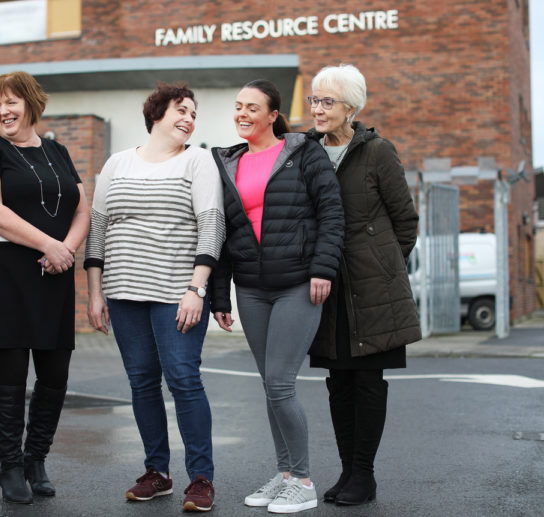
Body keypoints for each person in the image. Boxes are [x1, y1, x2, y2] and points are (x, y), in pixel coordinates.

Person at [85, 83, 225, 513]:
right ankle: (157, 473)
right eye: (181, 110)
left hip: (176, 294)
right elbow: (98, 227)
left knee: (183, 379)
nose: (188, 119)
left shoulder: (197, 160)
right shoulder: (117, 162)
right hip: (124, 292)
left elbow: (212, 224)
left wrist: (196, 288)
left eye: (194, 114)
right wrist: (95, 293)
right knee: (142, 382)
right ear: (156, 114)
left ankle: (200, 478)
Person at [210, 79, 345, 514]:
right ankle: (285, 474)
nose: (242, 113)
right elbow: (225, 232)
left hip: (297, 284)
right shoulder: (227, 163)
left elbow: (331, 212)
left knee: (282, 384)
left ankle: (303, 481)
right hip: (251, 287)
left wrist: (323, 269)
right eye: (237, 106)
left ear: (273, 115)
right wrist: (220, 296)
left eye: (252, 107)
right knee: (270, 385)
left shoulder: (303, 152)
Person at [0, 71, 89, 504]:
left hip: (52, 276)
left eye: (11, 101)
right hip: (4, 277)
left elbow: (82, 210)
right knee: (12, 374)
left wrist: (66, 251)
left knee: (55, 375)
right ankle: (10, 467)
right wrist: (50, 245)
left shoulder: (58, 150)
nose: (2, 111)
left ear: (32, 104)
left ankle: (36, 459)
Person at [306, 64, 421, 506]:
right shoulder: (308, 152)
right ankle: (347, 471)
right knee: (339, 381)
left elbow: (405, 222)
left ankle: (365, 475)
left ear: (350, 107)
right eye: (315, 99)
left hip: (375, 290)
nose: (318, 108)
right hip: (329, 288)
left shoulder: (378, 152)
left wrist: (381, 265)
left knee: (368, 381)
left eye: (327, 101)